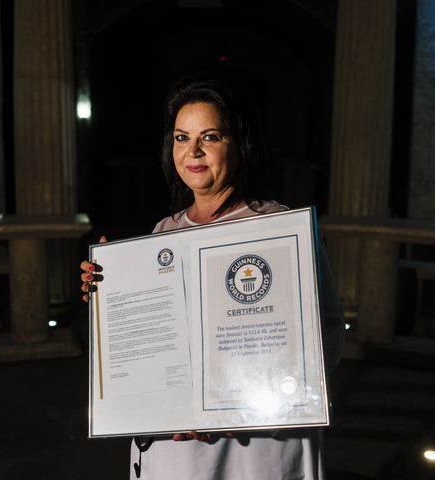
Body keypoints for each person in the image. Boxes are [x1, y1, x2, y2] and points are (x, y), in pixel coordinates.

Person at [80, 74, 344, 479]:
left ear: (239, 144)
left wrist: (234, 407)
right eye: (182, 138)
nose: (193, 151)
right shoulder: (163, 232)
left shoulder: (276, 227)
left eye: (211, 136)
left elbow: (328, 334)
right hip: (175, 444)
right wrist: (107, 293)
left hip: (254, 444)